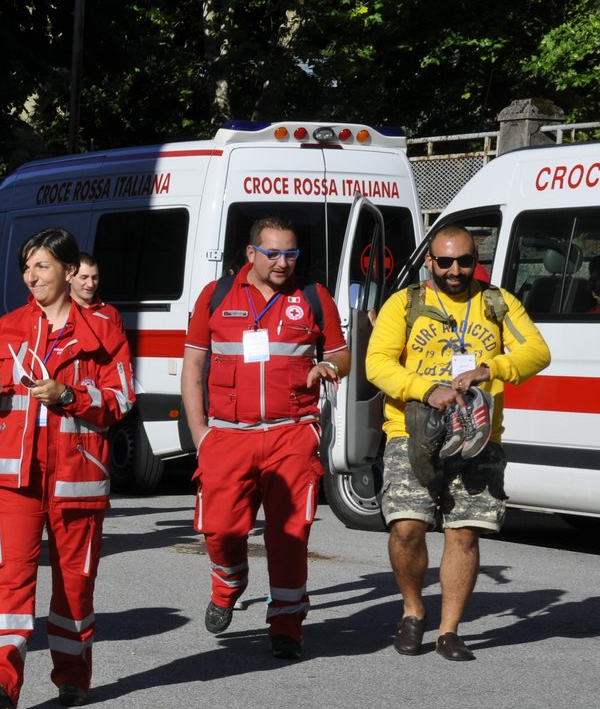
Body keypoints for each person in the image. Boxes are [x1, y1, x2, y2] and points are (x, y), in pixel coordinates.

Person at [0, 227, 135, 709]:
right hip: (14, 475)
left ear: (66, 270)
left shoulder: (102, 330)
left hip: (78, 474)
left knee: (74, 586)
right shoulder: (7, 327)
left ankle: (73, 674)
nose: (31, 276)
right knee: (10, 578)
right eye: (27, 267)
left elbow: (121, 398)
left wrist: (70, 396)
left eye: (41, 266)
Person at [365, 224, 551, 662]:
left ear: (475, 261)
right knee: (407, 527)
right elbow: (377, 363)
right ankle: (413, 611)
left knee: (463, 534)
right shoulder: (405, 303)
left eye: (464, 261)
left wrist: (491, 368)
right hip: (412, 433)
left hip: (477, 438)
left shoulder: (498, 303)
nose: (454, 270)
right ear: (430, 261)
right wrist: (424, 388)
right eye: (444, 261)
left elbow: (538, 352)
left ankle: (449, 631)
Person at [180, 217, 349, 661]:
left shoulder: (312, 297)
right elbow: (193, 367)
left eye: (290, 254)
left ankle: (287, 624)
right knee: (219, 528)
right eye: (272, 253)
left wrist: (330, 368)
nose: (282, 262)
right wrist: (201, 433)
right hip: (227, 436)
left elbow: (340, 353)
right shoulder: (215, 296)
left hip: (291, 434)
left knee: (290, 533)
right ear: (251, 254)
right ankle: (229, 583)